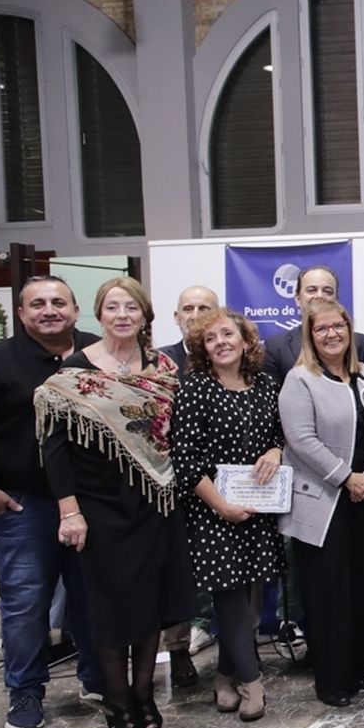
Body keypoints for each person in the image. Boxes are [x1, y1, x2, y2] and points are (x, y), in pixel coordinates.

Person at [35, 277, 196, 728]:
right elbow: (55, 448)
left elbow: (175, 435)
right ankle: (117, 703)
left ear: (145, 315)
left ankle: (145, 696)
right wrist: (70, 511)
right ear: (99, 315)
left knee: (151, 606)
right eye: (112, 307)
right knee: (110, 610)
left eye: (131, 307)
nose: (122, 314)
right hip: (99, 507)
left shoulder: (164, 368)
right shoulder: (73, 373)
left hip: (156, 503)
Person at [0, 275, 106, 728]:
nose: (49, 310)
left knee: (92, 598)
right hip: (23, 507)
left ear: (76, 311)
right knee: (25, 602)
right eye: (37, 304)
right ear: (21, 314)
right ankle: (25, 693)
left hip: (91, 503)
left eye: (59, 302)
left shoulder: (97, 355)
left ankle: (98, 680)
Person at [171, 308, 285, 722]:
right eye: (210, 338)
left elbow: (278, 435)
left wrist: (275, 450)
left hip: (256, 509)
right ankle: (253, 685)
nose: (220, 342)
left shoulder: (266, 385)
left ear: (244, 340)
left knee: (250, 601)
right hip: (212, 512)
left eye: (227, 334)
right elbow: (184, 460)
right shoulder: (196, 388)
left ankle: (223, 677)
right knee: (230, 598)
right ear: (202, 349)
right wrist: (221, 505)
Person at [279, 299, 364, 708]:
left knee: (358, 590)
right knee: (327, 595)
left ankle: (355, 666)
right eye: (321, 328)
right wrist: (347, 478)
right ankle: (331, 680)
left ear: (349, 329)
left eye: (338, 326)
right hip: (323, 504)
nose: (331, 334)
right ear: (310, 335)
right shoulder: (300, 380)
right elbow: (300, 439)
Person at [156, 283, 219, 688]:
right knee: (176, 574)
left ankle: (227, 639)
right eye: (188, 307)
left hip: (227, 483)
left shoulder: (232, 357)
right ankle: (178, 650)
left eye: (205, 308)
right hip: (172, 485)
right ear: (176, 316)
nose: (195, 314)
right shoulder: (160, 364)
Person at [261, 265, 364, 384]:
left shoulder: (361, 344)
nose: (320, 296)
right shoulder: (276, 347)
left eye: (327, 291)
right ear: (297, 299)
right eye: (311, 290)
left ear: (336, 299)